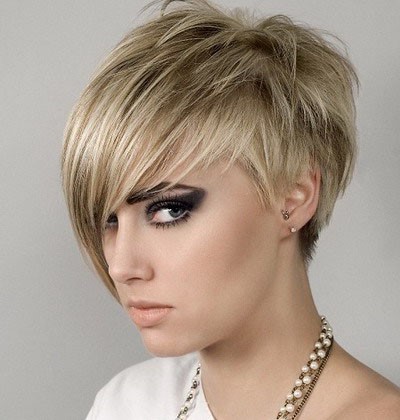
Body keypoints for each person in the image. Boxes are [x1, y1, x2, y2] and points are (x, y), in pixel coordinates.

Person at [61, 0, 400, 418]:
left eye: (169, 211)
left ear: (293, 196)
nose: (120, 267)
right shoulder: (126, 403)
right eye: (108, 220)